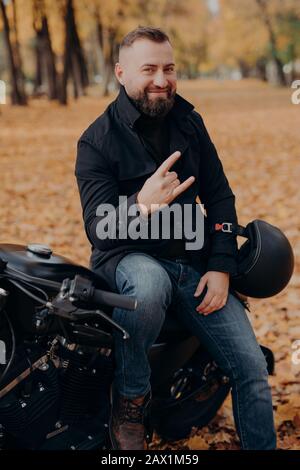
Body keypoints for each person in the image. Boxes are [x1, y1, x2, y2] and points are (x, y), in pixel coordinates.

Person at [75, 26, 276, 450]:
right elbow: (98, 228)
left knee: (251, 366)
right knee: (150, 282)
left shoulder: (190, 122)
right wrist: (141, 206)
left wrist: (222, 266)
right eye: (148, 69)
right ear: (121, 73)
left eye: (169, 68)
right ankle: (131, 398)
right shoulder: (96, 141)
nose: (161, 80)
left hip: (193, 264)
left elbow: (220, 196)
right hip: (128, 260)